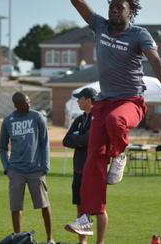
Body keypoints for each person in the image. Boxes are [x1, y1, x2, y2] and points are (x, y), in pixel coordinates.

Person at [66, 0, 161, 243]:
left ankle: (120, 153)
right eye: (112, 7)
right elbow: (77, 0)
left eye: (120, 8)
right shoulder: (101, 26)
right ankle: (85, 217)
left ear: (131, 13)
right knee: (92, 161)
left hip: (131, 102)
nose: (114, 11)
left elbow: (155, 60)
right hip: (104, 102)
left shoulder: (139, 35)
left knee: (118, 121)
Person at [0, 92, 55, 244]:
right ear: (16, 104)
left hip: (36, 170)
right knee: (16, 207)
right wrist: (7, 168)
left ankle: (50, 239)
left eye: (28, 101)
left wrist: (45, 166)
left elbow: (44, 143)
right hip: (16, 171)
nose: (28, 104)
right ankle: (17, 239)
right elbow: (2, 148)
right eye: (24, 102)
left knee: (44, 205)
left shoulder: (37, 117)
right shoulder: (8, 121)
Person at [62, 87, 96, 244]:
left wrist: (79, 139)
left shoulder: (98, 118)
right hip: (78, 168)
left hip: (92, 170)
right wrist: (80, 140)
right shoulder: (80, 119)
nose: (77, 101)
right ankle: (83, 241)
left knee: (91, 206)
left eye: (79, 98)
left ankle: (94, 241)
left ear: (88, 100)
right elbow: (66, 140)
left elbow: (87, 139)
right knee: (80, 205)